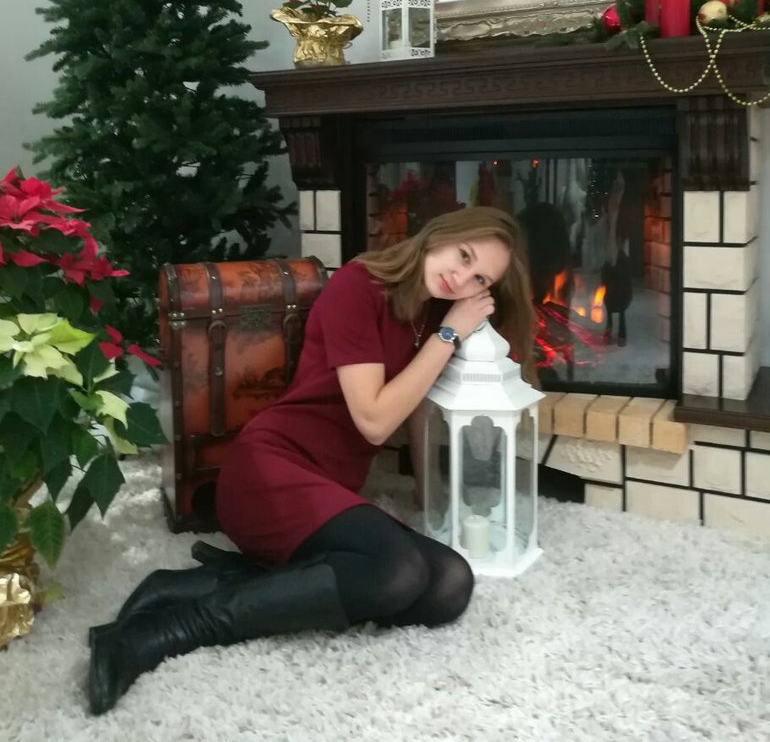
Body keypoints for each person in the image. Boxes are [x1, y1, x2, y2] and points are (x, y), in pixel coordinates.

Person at [88, 206, 536, 715]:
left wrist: (427, 494)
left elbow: (414, 405)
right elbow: (374, 420)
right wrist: (450, 335)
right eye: (464, 255)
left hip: (330, 489)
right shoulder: (359, 286)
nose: (461, 276)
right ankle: (167, 630)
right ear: (438, 236)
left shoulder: (435, 313)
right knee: (395, 571)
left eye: (480, 279)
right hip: (269, 469)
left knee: (449, 585)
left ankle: (210, 581)